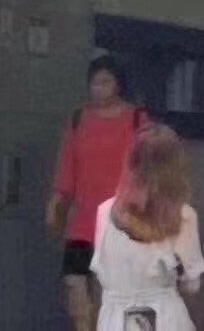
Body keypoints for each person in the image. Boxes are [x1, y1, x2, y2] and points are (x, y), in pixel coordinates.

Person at [49, 57, 148, 331]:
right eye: (94, 83)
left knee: (112, 294)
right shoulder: (80, 119)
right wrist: (57, 200)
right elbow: (67, 165)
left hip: (122, 220)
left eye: (105, 82)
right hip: (83, 221)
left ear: (118, 85)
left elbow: (148, 167)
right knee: (75, 283)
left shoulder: (137, 120)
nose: (98, 88)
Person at [92, 126, 204, 331]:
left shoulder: (104, 212)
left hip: (115, 320)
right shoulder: (184, 216)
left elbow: (101, 271)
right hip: (166, 319)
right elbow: (192, 284)